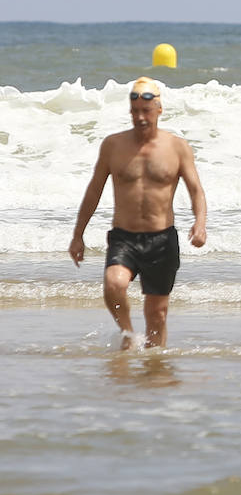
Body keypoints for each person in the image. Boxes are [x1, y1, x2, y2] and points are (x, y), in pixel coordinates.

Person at [69, 77, 207, 350]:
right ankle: (129, 334)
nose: (141, 117)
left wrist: (200, 223)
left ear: (159, 109)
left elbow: (196, 190)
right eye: (135, 112)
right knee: (113, 283)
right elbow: (93, 191)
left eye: (146, 111)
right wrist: (78, 235)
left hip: (162, 240)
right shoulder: (113, 145)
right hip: (125, 237)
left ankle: (154, 368)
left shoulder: (177, 147)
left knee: (157, 314)